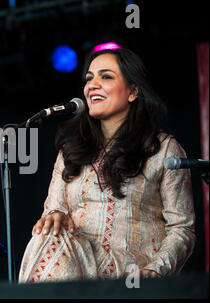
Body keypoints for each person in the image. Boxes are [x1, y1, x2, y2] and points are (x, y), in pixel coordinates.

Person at [18, 48, 196, 283]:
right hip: (76, 268)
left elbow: (182, 228)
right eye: (89, 78)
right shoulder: (70, 152)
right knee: (47, 235)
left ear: (133, 91)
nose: (92, 85)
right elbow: (54, 208)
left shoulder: (163, 149)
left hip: (130, 276)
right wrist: (54, 215)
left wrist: (156, 270)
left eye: (106, 76)